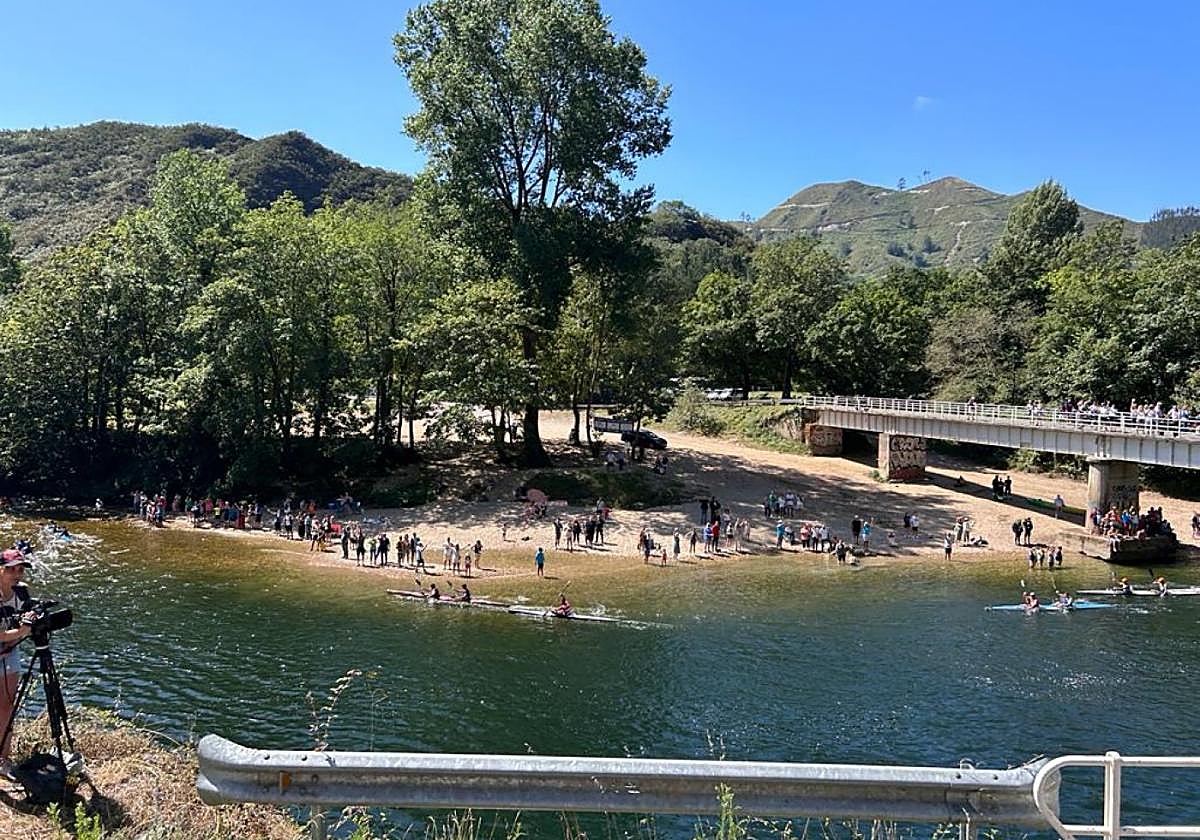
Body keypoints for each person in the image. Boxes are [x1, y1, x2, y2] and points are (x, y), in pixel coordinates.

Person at [0, 552, 34, 779]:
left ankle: (3, 759)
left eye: (20, 569)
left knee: (6, 707)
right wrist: (21, 631)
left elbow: (27, 614)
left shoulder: (21, 592)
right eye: (10, 569)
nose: (16, 574)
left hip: (9, 653)